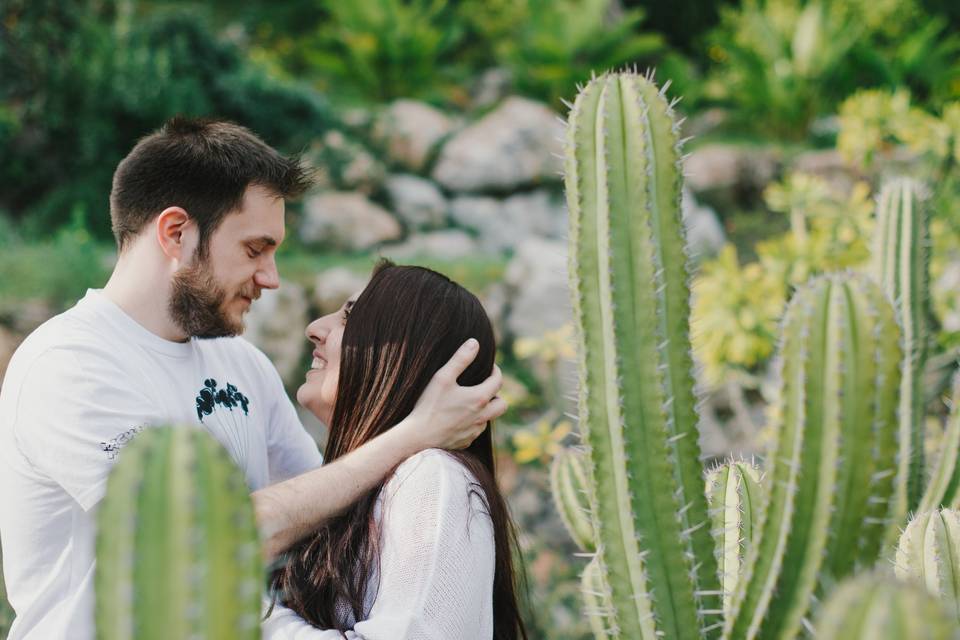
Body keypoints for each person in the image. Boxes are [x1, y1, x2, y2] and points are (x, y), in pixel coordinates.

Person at [0, 117, 505, 640]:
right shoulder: (68, 365)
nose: (272, 277)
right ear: (176, 234)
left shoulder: (242, 366)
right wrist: (414, 433)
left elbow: (322, 516)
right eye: (254, 249)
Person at [261, 260, 528, 640]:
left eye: (349, 318)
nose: (315, 328)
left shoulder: (432, 476)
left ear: (403, 356)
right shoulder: (381, 485)